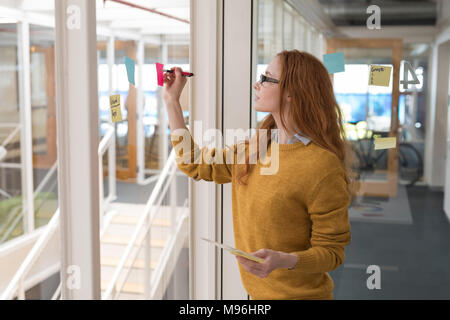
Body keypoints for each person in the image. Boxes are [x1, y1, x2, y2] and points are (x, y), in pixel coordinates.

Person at [162, 49, 354, 300]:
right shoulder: (257, 147)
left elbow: (332, 253)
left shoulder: (321, 166)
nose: (257, 84)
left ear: (291, 93)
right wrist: (172, 101)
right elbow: (194, 163)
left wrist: (284, 260)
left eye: (267, 78)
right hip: (256, 295)